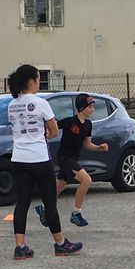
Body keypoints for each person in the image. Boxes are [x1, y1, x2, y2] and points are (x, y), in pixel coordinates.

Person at [6, 64, 82, 260]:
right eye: (38, 79)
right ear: (31, 81)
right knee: (50, 202)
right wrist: (46, 133)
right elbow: (54, 129)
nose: (39, 83)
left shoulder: (12, 105)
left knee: (22, 202)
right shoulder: (41, 103)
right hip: (38, 158)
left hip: (19, 157)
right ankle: (60, 243)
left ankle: (20, 246)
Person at [35, 93, 109, 228]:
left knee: (60, 185)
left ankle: (43, 207)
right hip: (64, 158)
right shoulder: (70, 121)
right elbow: (54, 126)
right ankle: (76, 213)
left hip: (73, 159)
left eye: (93, 107)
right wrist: (44, 134)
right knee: (86, 180)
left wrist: (99, 148)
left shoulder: (88, 124)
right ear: (82, 108)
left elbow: (87, 144)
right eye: (90, 107)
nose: (93, 109)